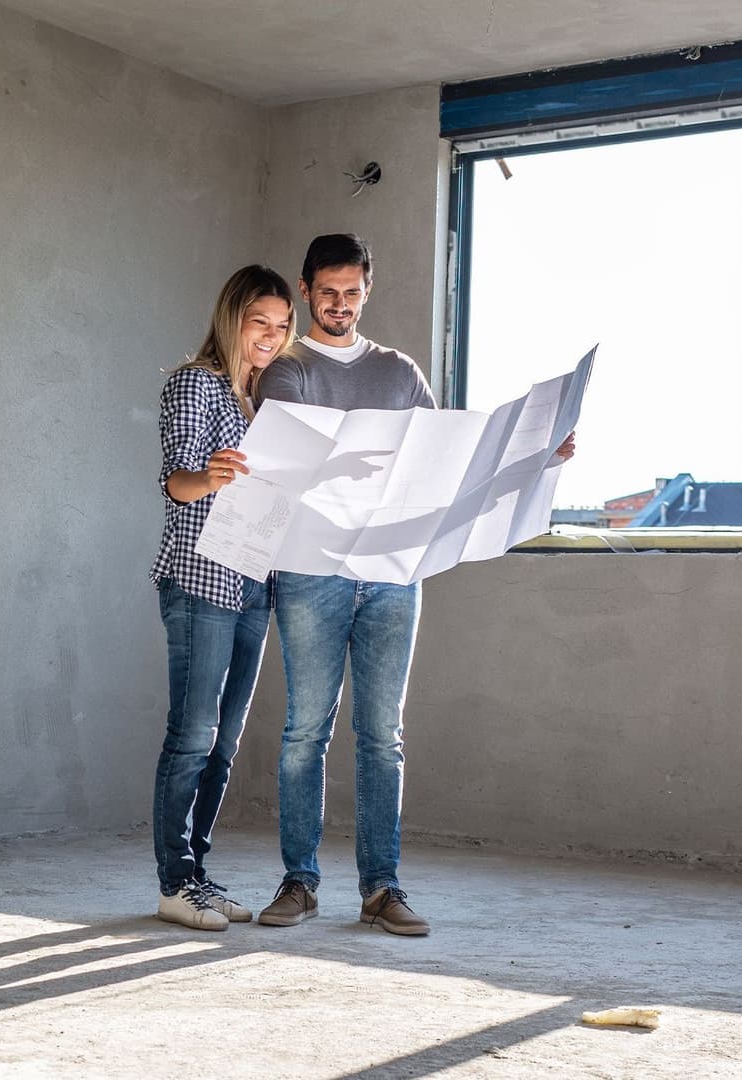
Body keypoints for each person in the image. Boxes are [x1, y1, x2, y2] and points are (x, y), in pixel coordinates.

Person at [254, 234, 574, 936]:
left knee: (382, 735)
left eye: (353, 292)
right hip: (312, 571)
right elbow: (287, 464)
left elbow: (447, 462)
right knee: (305, 731)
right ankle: (299, 884)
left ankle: (381, 890)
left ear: (368, 290)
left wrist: (536, 458)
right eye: (328, 292)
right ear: (306, 290)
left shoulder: (400, 372)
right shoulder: (288, 369)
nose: (340, 304)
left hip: (394, 574)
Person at [149, 264, 297, 931]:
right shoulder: (195, 384)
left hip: (253, 582)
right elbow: (176, 484)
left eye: (282, 325)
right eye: (259, 321)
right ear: (232, 318)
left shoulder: (261, 406)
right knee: (192, 735)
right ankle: (175, 882)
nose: (271, 335)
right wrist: (209, 474)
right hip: (201, 579)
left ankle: (198, 875)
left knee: (225, 741)